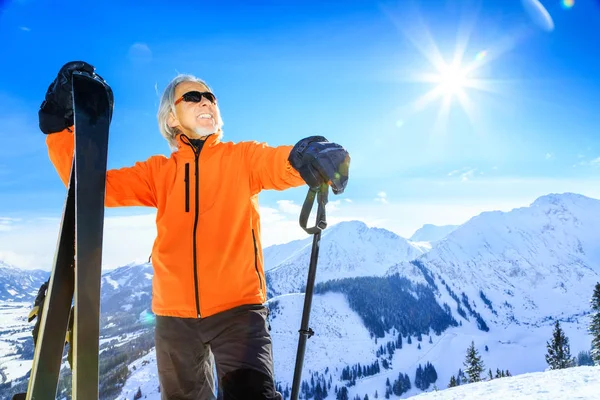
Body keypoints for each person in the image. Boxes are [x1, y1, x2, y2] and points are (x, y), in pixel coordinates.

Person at [38, 61, 350, 400]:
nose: (206, 102)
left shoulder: (242, 158)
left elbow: (278, 163)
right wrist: (60, 127)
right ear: (172, 117)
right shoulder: (158, 173)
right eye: (193, 97)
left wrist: (306, 155)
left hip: (239, 313)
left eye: (210, 97)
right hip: (174, 319)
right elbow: (91, 182)